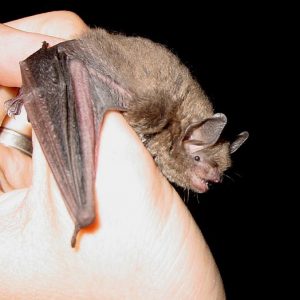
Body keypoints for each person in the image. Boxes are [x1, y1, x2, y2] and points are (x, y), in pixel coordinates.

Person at [0, 11, 225, 299]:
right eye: (198, 161)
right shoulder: (150, 111)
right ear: (189, 136)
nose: (205, 181)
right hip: (94, 66)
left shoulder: (164, 132)